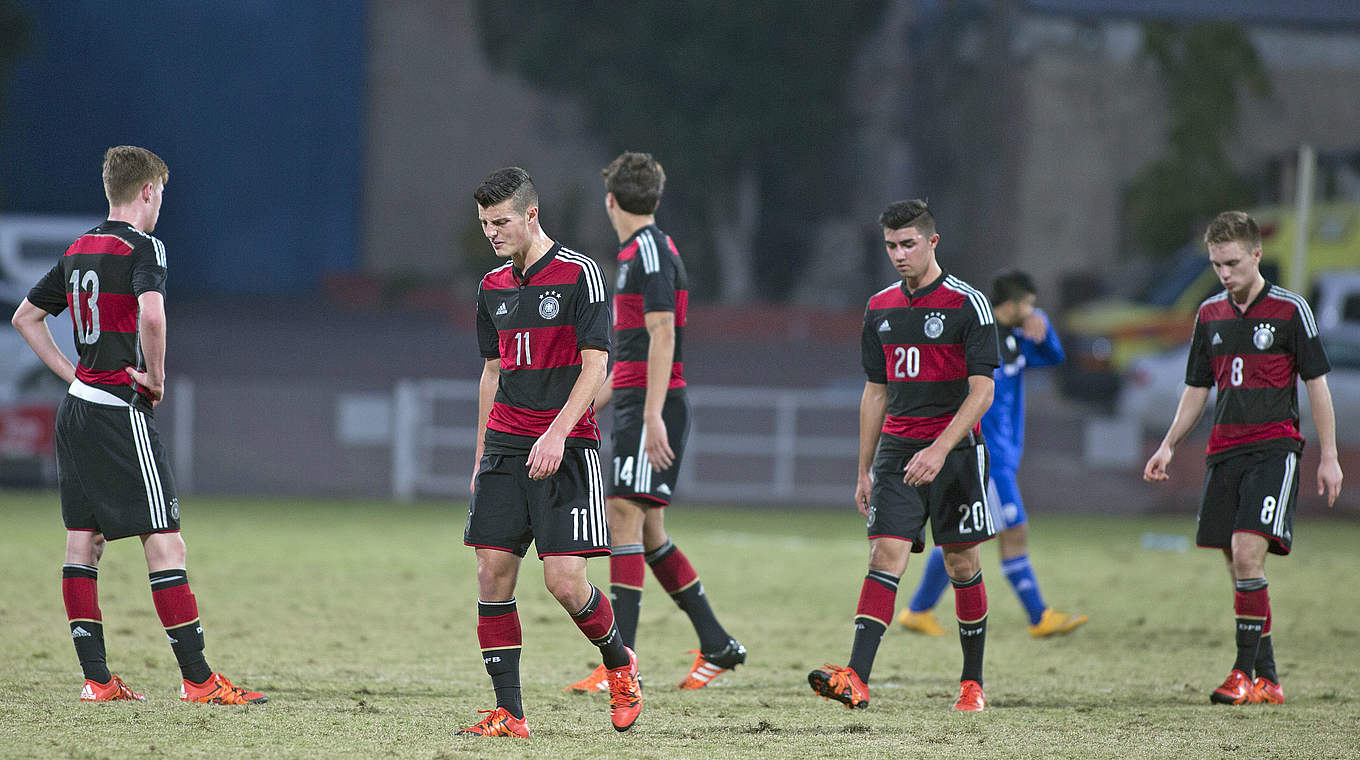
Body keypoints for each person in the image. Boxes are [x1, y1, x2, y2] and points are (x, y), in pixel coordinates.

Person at [10, 146, 266, 705]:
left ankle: (97, 682)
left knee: (83, 543)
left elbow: (25, 317)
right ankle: (199, 681)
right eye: (161, 195)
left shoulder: (79, 248)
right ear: (148, 191)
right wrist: (156, 376)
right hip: (118, 411)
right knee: (165, 543)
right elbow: (153, 313)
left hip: (76, 408)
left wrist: (69, 372)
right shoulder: (144, 247)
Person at [460, 167, 641, 738]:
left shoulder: (580, 274)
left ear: (531, 215)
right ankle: (510, 714)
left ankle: (620, 665)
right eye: (486, 223)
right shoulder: (491, 286)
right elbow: (491, 372)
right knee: (493, 574)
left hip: (567, 447)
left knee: (564, 583)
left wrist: (558, 432)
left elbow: (597, 366)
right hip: (505, 448)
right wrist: (481, 450)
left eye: (502, 221)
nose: (492, 232)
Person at [808, 199, 1000, 713]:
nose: (899, 254)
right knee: (883, 555)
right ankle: (857, 678)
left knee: (961, 563)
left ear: (932, 242)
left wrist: (941, 449)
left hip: (955, 453)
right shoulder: (879, 308)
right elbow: (875, 392)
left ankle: (972, 683)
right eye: (891, 245)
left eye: (908, 244)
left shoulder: (969, 305)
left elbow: (983, 391)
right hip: (897, 452)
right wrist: (863, 468)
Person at [1144, 210, 1342, 706]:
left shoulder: (1291, 310)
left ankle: (1240, 673)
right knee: (1237, 566)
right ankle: (1268, 678)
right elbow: (1196, 388)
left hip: (1274, 449)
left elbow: (1317, 387)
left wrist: (1329, 456)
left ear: (1256, 255)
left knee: (1249, 553)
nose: (1224, 273)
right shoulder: (1209, 314)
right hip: (1223, 452)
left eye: (1232, 262)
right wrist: (1169, 443)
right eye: (1216, 265)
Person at [565, 152, 745, 695]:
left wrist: (649, 416)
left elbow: (663, 335)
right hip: (638, 399)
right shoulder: (637, 253)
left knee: (622, 515)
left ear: (610, 200)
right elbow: (637, 353)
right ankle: (717, 645)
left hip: (653, 405)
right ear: (657, 198)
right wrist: (586, 409)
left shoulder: (646, 252)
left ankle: (622, 662)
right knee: (646, 531)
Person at [898, 271, 1087, 637]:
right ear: (1013, 304)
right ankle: (1039, 616)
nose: (1032, 310)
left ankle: (917, 610)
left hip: (1005, 453)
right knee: (1012, 529)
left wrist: (1042, 321)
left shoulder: (1016, 339)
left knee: (962, 535)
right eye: (1030, 304)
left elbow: (1055, 356)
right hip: (989, 454)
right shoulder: (981, 339)